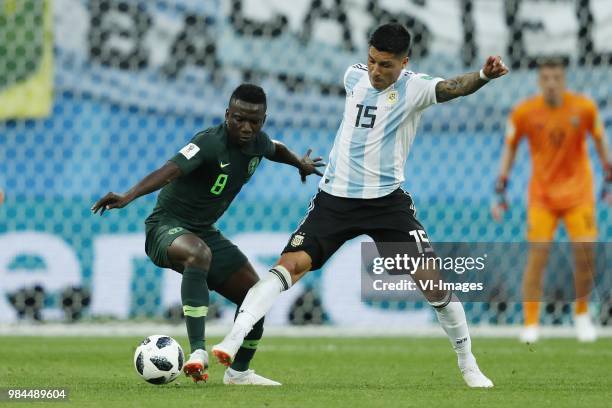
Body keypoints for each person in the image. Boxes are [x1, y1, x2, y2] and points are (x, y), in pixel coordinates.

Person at [212, 23, 508, 388]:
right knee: (288, 266)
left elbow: (452, 87)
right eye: (371, 61)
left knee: (434, 285)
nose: (375, 70)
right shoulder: (353, 77)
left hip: (387, 204)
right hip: (336, 199)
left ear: (404, 63)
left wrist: (482, 75)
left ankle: (468, 364)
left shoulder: (413, 88)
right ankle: (233, 340)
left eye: (385, 64)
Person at [92, 84, 324, 385]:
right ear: (227, 114)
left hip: (205, 232)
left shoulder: (259, 142)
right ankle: (198, 353)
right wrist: (128, 196)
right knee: (198, 254)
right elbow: (169, 170)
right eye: (238, 118)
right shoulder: (207, 144)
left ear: (263, 121)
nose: (245, 127)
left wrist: (300, 163)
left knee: (255, 299)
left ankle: (238, 374)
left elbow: (275, 148)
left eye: (254, 121)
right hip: (167, 226)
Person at [492, 58, 611, 343]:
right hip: (542, 197)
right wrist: (501, 188)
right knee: (537, 256)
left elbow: (600, 141)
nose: (552, 83)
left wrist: (609, 175)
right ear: (538, 81)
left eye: (557, 77)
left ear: (564, 79)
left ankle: (581, 314)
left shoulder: (584, 108)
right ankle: (531, 323)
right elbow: (510, 148)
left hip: (578, 194)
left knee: (585, 256)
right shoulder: (524, 112)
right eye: (546, 78)